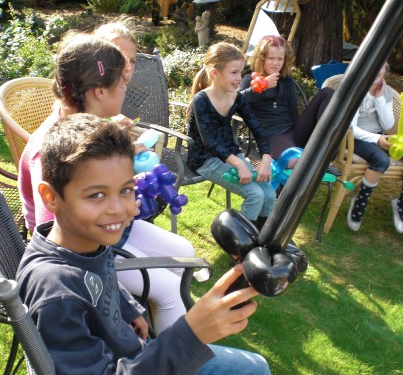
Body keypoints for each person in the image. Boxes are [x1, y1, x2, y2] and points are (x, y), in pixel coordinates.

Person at [16, 112, 270, 375]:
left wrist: (128, 309)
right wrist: (190, 335)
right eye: (97, 195)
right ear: (51, 197)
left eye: (126, 190)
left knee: (256, 366)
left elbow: (104, 277)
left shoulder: (86, 242)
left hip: (135, 354)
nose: (118, 209)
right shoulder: (55, 293)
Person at [18, 32, 196, 334]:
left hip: (108, 228)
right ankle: (168, 353)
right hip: (80, 249)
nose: (126, 92)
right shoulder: (52, 148)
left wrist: (124, 192)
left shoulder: (91, 127)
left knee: (186, 256)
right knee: (167, 292)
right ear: (100, 91)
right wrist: (117, 297)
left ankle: (156, 331)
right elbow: (57, 237)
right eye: (123, 85)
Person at [186, 42, 275, 228]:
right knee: (255, 194)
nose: (239, 78)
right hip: (205, 159)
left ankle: (261, 238)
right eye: (234, 72)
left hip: (231, 155)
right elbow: (209, 142)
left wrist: (266, 158)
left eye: (241, 72)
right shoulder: (201, 100)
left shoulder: (236, 97)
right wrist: (239, 163)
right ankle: (240, 247)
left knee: (269, 194)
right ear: (214, 73)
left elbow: (257, 129)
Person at [239, 35, 339, 174]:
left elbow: (292, 111)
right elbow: (236, 100)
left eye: (280, 59)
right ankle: (309, 160)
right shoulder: (249, 79)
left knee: (328, 93)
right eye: (271, 58)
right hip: (272, 135)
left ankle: (324, 145)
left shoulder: (285, 80)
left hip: (293, 130)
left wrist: (304, 131)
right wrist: (263, 86)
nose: (276, 63)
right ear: (261, 59)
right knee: (293, 161)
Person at [347, 62, 403, 233]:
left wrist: (379, 99)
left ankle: (401, 204)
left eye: (383, 65)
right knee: (381, 160)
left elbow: (388, 124)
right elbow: (352, 128)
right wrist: (377, 139)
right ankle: (359, 203)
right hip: (356, 138)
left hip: (380, 135)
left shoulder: (385, 91)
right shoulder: (355, 89)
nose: (379, 70)